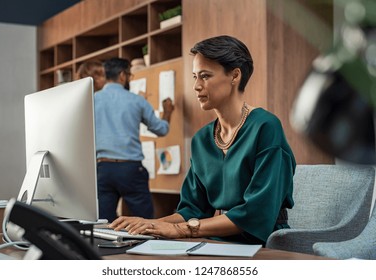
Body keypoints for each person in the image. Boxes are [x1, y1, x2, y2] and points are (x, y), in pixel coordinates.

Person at [109, 35, 296, 245]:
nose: (196, 86)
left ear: (235, 76)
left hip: (266, 242)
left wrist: (181, 230)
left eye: (205, 76)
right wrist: (149, 225)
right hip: (218, 239)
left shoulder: (266, 127)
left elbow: (256, 213)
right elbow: (192, 208)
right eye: (195, 76)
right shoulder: (202, 139)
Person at [94, 57, 174, 222]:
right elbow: (161, 129)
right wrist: (167, 113)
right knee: (143, 222)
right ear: (122, 75)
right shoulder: (136, 101)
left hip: (103, 169)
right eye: (130, 75)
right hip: (130, 169)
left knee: (103, 223)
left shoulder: (92, 99)